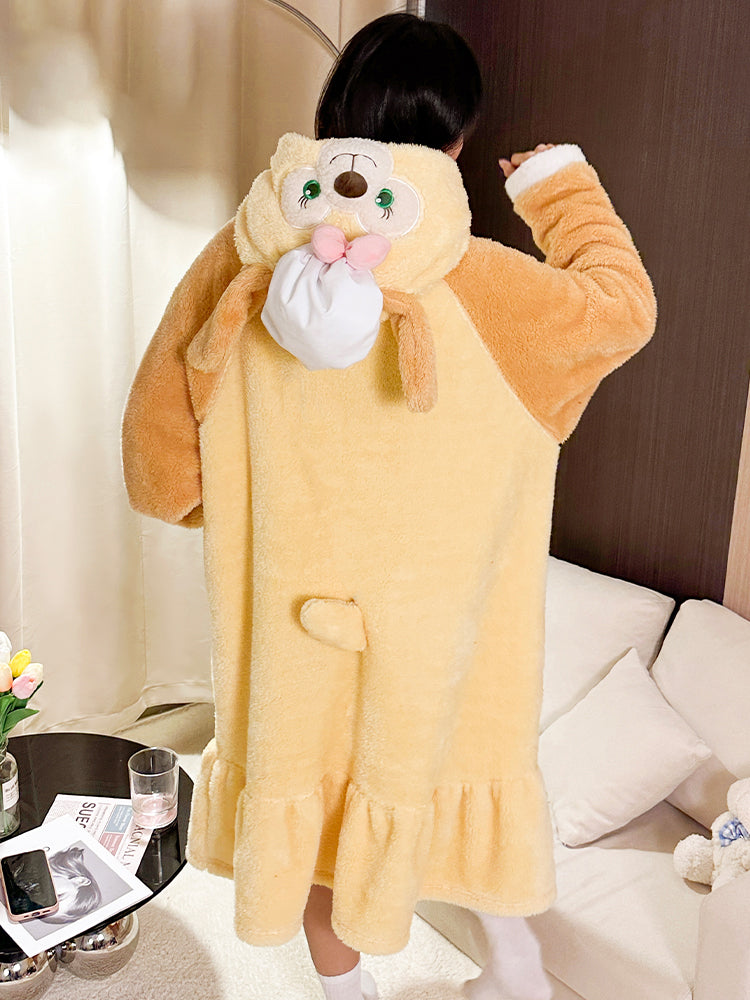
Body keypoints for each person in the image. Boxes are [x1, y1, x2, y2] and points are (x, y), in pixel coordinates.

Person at [121, 12, 655, 1000]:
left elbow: (161, 465)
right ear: (458, 136)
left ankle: (350, 995)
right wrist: (558, 188)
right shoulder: (482, 281)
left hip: (290, 632)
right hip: (437, 633)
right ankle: (517, 965)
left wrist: (238, 503)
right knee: (449, 778)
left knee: (314, 816)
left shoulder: (240, 262)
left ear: (334, 115)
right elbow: (623, 308)